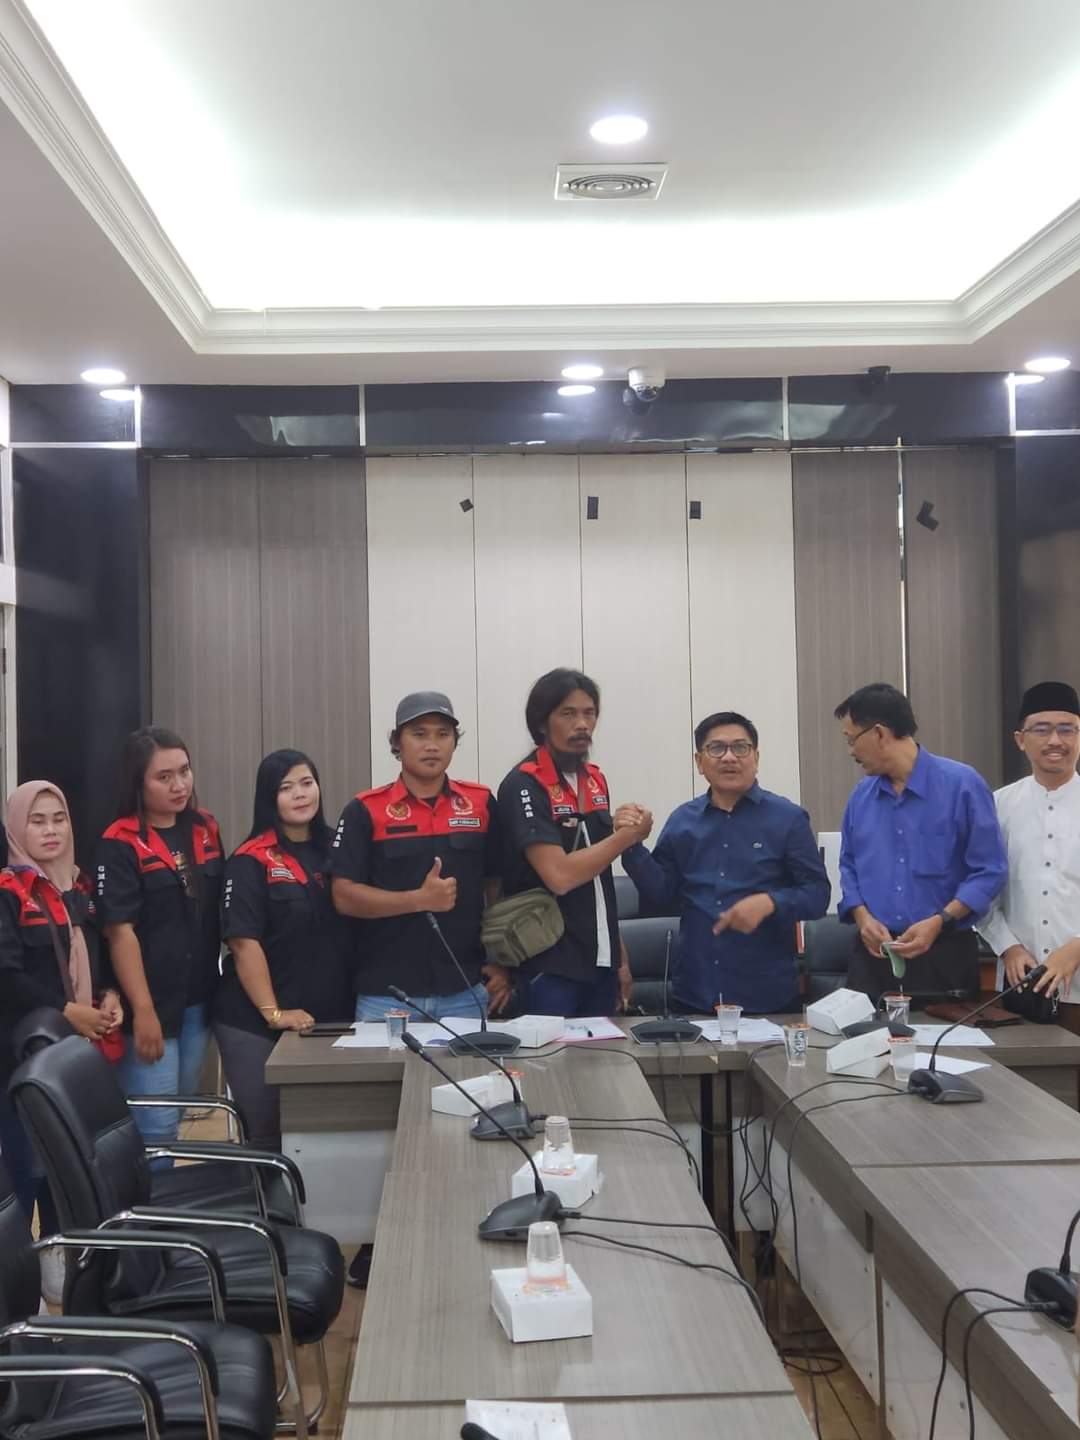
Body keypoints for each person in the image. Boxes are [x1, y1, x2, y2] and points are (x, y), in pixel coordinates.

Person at [619, 711, 830, 1013]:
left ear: (756, 757)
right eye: (716, 748)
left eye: (740, 747)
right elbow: (661, 895)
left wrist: (770, 902)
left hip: (767, 996)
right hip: (695, 992)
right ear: (699, 762)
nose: (729, 757)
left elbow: (817, 895)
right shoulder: (683, 821)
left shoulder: (788, 819)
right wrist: (629, 844)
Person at [0, 781, 122, 1301]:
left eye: (59, 819)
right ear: (16, 829)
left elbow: (98, 955)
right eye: (38, 821)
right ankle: (19, 1278)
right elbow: (6, 976)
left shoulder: (79, 888)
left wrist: (109, 995)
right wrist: (67, 1011)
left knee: (66, 1162)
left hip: (72, 1054)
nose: (51, 831)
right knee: (27, 1166)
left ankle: (63, 1258)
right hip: (20, 1057)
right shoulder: (8, 890)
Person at [330, 692, 508, 1022]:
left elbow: (496, 887)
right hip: (386, 995)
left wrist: (502, 961)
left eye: (443, 734)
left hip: (464, 990)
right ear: (397, 742)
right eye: (419, 734)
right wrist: (419, 900)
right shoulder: (365, 810)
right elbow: (343, 897)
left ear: (455, 742)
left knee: (474, 1061)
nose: (432, 745)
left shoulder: (481, 803)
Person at [215, 749, 354, 1150]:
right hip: (256, 1024)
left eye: (307, 783)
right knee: (269, 1134)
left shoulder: (338, 849)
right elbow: (243, 943)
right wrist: (273, 1013)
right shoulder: (249, 860)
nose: (300, 794)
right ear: (268, 797)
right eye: (286, 787)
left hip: (330, 1017)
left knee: (330, 1129)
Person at [835, 682, 1007, 1001]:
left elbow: (989, 870)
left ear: (879, 733)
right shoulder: (861, 797)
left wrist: (940, 920)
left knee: (947, 1036)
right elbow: (848, 865)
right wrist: (862, 917)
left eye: (851, 739)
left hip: (944, 955)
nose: (850, 751)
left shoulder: (963, 786)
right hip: (873, 958)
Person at [96, 726, 223, 1148]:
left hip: (199, 1000)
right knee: (155, 1130)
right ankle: (149, 1194)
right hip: (151, 1004)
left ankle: (165, 1190)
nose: (179, 785)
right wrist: (144, 1010)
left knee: (177, 1113)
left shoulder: (205, 827)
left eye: (184, 771)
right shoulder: (120, 841)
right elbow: (120, 932)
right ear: (139, 782)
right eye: (163, 777)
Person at [497, 668, 650, 1017]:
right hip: (549, 962)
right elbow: (560, 876)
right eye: (568, 714)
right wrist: (627, 836)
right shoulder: (524, 784)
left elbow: (599, 878)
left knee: (605, 1052)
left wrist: (620, 957)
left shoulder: (594, 780)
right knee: (550, 1054)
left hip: (601, 963)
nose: (582, 724)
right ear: (541, 722)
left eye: (589, 713)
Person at [979, 682, 1080, 1027]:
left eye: (1067, 729)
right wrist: (1007, 946)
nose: (1055, 740)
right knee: (1022, 1063)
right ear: (1021, 739)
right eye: (1042, 729)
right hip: (1020, 984)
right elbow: (982, 891)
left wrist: (1077, 947)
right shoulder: (997, 806)